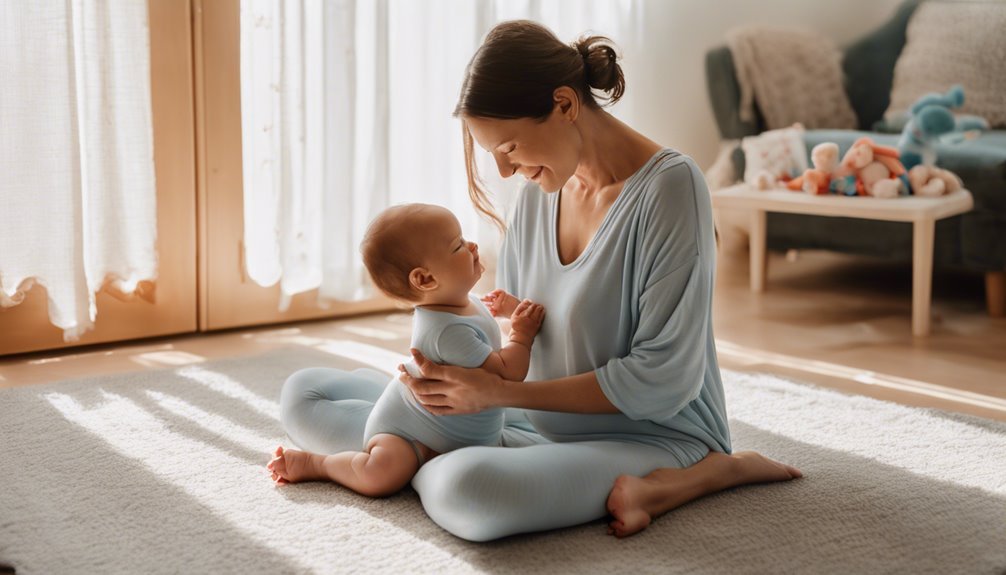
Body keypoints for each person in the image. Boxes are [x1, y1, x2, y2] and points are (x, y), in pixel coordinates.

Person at [279, 20, 801, 542]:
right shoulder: (538, 192)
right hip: (528, 422)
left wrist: (492, 398)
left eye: (509, 148)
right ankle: (413, 458)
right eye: (494, 156)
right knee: (303, 395)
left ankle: (711, 469)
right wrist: (442, 390)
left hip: (651, 435)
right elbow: (525, 333)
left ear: (566, 105)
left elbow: (663, 378)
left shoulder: (671, 188)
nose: (505, 173)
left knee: (466, 489)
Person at [269, 204, 545, 496]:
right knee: (380, 475)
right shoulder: (446, 332)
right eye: (458, 246)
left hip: (451, 426)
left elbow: (488, 339)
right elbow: (509, 372)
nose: (472, 245)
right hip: (410, 434)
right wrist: (522, 334)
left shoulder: (462, 301)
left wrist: (507, 310)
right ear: (425, 279)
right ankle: (318, 464)